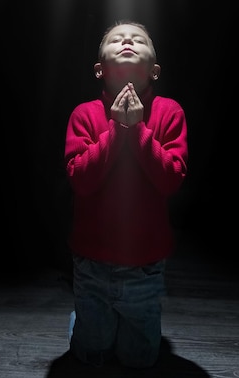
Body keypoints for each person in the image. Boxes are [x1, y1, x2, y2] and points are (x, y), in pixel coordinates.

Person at [64, 20, 188, 369]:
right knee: (93, 355)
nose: (127, 41)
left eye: (138, 40)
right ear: (99, 69)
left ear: (155, 70)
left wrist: (137, 132)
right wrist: (119, 131)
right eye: (116, 39)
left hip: (145, 265)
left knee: (140, 360)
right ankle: (82, 322)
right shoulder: (84, 115)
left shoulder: (169, 112)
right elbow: (81, 180)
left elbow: (171, 180)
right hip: (92, 261)